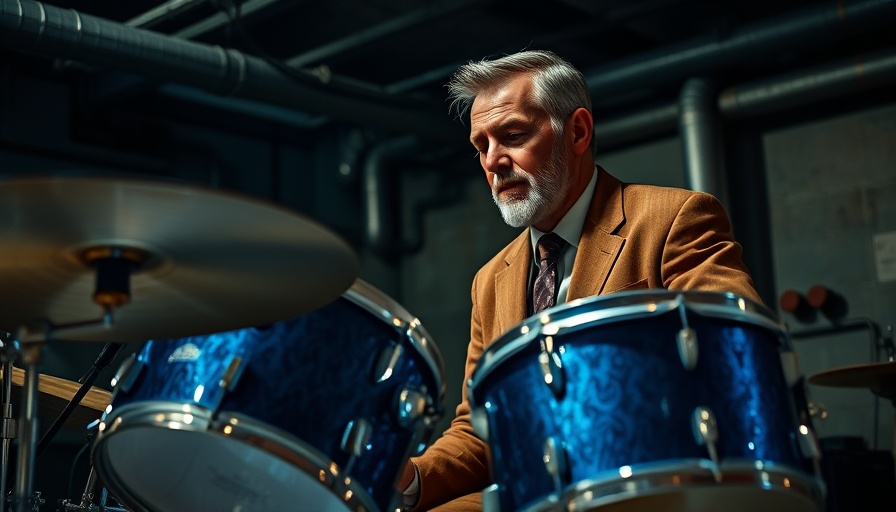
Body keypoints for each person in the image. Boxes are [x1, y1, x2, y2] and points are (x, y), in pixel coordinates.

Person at [399, 49, 760, 511]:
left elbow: (733, 347)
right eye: (481, 146)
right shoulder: (489, 281)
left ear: (577, 131)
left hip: (649, 479)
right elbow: (480, 426)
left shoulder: (674, 219)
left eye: (512, 135)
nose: (493, 161)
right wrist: (411, 477)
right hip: (532, 493)